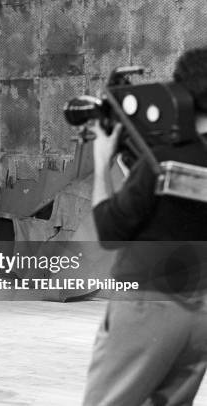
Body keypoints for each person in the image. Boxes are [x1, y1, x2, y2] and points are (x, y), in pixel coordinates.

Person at [82, 48, 207, 405]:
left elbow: (109, 232)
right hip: (200, 315)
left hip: (146, 307)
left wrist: (103, 160)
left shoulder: (165, 161)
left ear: (182, 93)